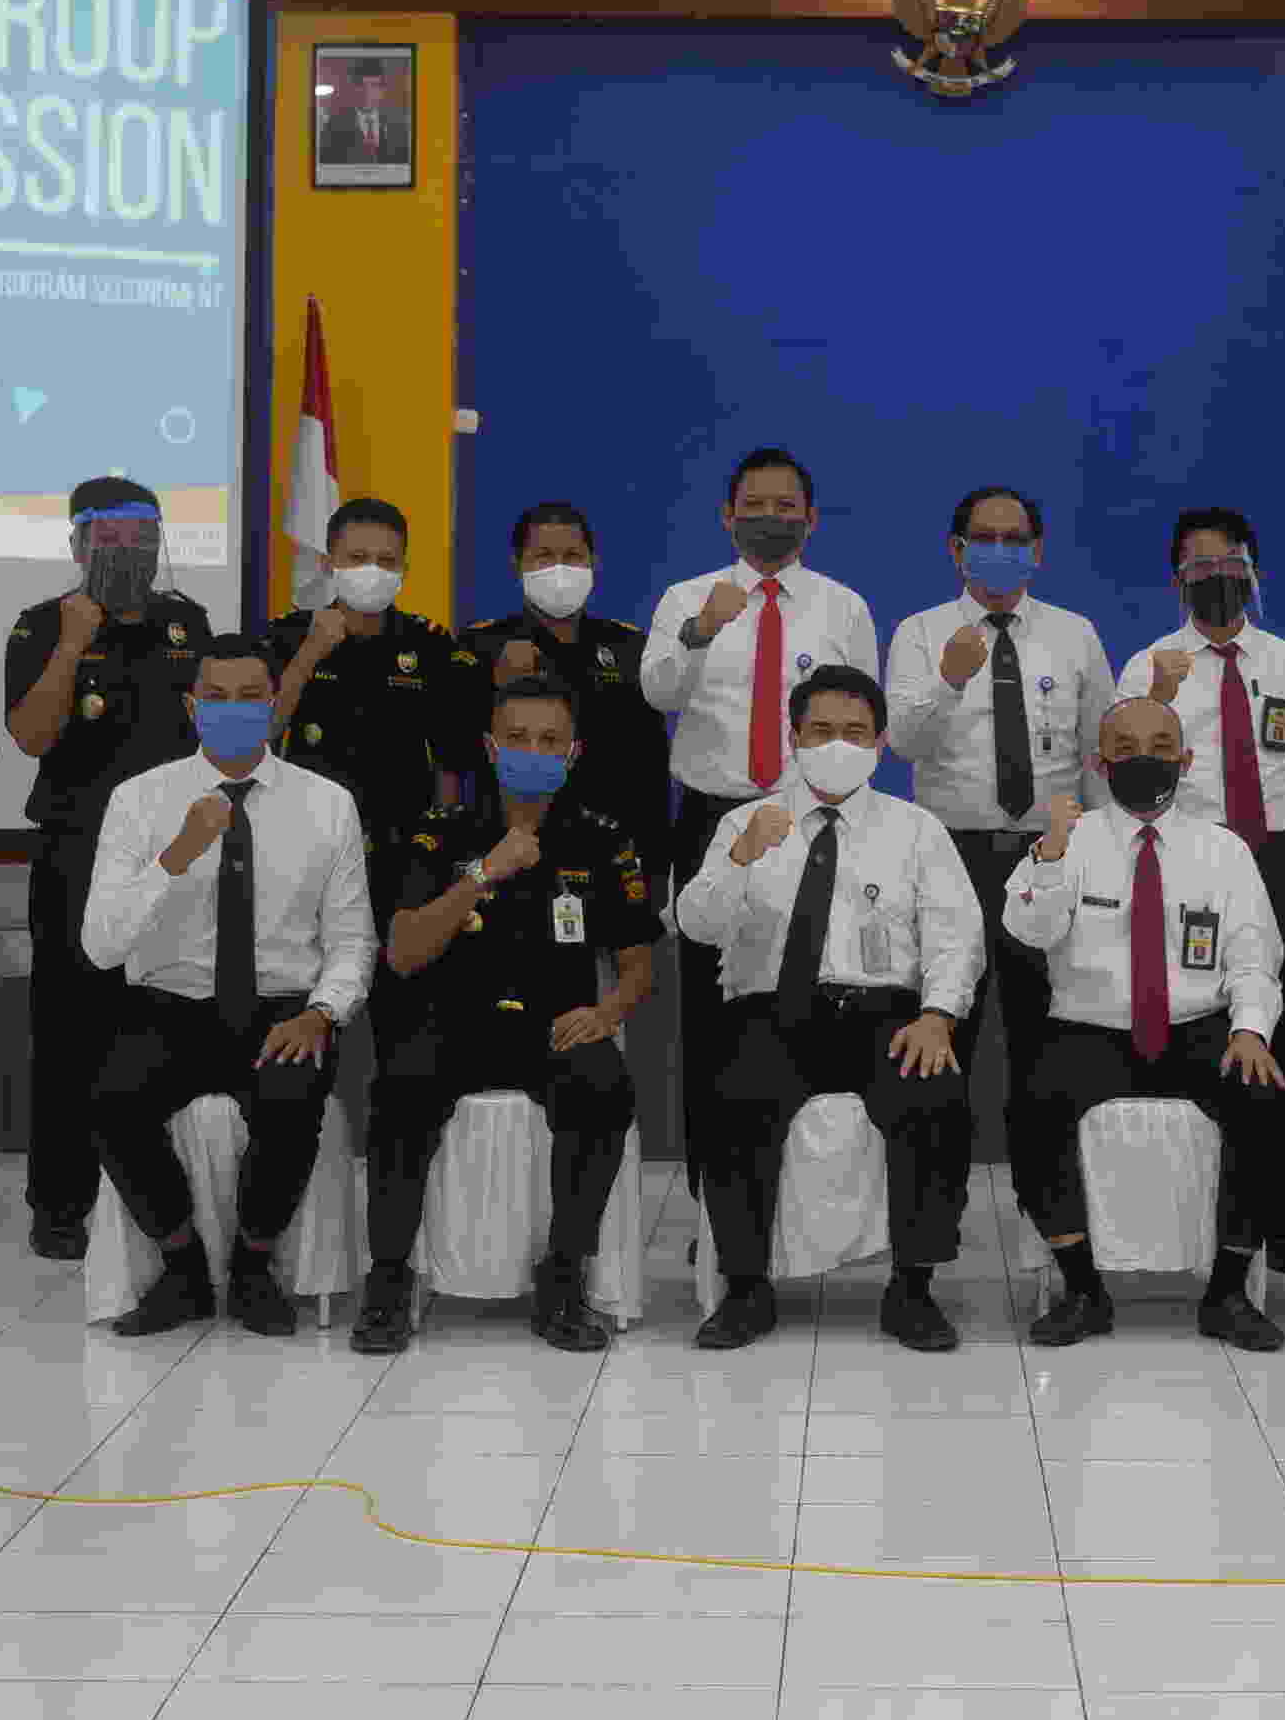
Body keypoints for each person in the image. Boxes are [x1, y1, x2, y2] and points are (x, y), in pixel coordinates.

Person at [671, 667, 981, 1354]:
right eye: (821, 731)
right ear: (794, 737)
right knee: (733, 1096)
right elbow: (696, 924)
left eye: (855, 732)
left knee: (935, 1098)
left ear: (880, 743)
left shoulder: (917, 829)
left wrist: (938, 1015)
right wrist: (740, 860)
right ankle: (746, 1288)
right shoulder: (742, 823)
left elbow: (957, 934)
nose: (837, 744)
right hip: (770, 1010)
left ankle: (913, 1289)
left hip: (886, 1015)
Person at [80, 636, 375, 1337]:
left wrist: (323, 1013)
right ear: (192, 707)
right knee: (112, 1101)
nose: (234, 710)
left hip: (282, 1010)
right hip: (169, 1006)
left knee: (292, 1097)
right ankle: (181, 1264)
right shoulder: (138, 800)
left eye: (250, 697)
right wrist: (176, 856)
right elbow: (101, 945)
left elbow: (352, 940)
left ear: (274, 706)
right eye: (217, 697)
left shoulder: (327, 805)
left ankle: (253, 1264)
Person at [355, 674, 654, 1356]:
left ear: (573, 753)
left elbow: (638, 964)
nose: (533, 752)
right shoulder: (441, 830)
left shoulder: (602, 838)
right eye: (518, 738)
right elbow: (403, 952)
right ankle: (389, 1280)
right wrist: (483, 872)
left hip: (555, 1026)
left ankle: (563, 1277)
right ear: (491, 748)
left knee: (604, 1088)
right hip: (452, 1021)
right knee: (400, 1087)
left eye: (549, 741)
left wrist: (607, 1012)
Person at [1005, 697, 1285, 1352]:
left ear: (1186, 760)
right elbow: (1029, 929)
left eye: (1162, 746)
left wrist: (1250, 1030)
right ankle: (1083, 1289)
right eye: (1127, 747)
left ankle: (1227, 1292)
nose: (1145, 758)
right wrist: (1050, 855)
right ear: (1099, 762)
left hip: (1199, 1025)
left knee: (1265, 1098)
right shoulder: (1070, 841)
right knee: (1032, 1103)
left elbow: (1256, 954)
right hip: (1089, 1029)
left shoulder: (1223, 850)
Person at [642, 447, 881, 1199]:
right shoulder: (688, 597)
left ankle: (796, 1191)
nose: (770, 519)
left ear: (811, 519)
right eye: (755, 505)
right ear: (727, 515)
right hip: (709, 817)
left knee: (795, 998)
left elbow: (865, 722)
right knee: (707, 1012)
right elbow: (657, 692)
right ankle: (714, 1204)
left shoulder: (843, 608)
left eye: (786, 507)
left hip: (807, 817)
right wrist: (698, 633)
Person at [1, 476, 218, 1262]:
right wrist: (72, 641)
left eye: (143, 537)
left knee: (169, 1024)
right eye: (110, 538)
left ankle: (167, 1205)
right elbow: (30, 736)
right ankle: (61, 1205)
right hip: (79, 856)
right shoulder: (41, 624)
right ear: (78, 544)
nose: (129, 553)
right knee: (69, 1033)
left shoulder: (187, 623)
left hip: (176, 858)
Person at [1113, 507, 1285, 1275]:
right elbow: (1121, 779)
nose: (1217, 578)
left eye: (1230, 564)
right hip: (1189, 863)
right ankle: (1205, 1203)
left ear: (1254, 571)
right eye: (1200, 567)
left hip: (1275, 860)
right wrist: (1160, 697)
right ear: (1176, 579)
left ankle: (1282, 1214)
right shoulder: (1148, 665)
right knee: (1209, 1027)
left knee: (1282, 1040)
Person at [884, 485, 1116, 1090]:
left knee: (1047, 1039)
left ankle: (1045, 1158)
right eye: (984, 538)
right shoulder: (920, 632)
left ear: (1037, 550)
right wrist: (948, 681)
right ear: (956, 548)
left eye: (1014, 540)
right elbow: (902, 742)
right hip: (950, 854)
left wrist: (1106, 850)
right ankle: (940, 1156)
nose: (999, 550)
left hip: (1049, 853)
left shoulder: (1075, 635)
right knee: (944, 1025)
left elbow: (1099, 754)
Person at [268, 495, 485, 916]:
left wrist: (437, 847)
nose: (373, 570)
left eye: (387, 561)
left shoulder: (430, 644)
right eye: (358, 558)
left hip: (403, 848)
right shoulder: (289, 635)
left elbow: (451, 761)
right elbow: (264, 730)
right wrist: (310, 652)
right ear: (330, 562)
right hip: (308, 842)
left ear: (404, 569)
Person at [459, 500, 673, 875]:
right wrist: (494, 685)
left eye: (573, 556)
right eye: (543, 556)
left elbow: (651, 766)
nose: (559, 568)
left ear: (594, 563)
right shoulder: (480, 646)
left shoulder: (629, 647)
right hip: (507, 849)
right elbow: (455, 751)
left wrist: (654, 862)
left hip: (612, 853)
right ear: (517, 565)